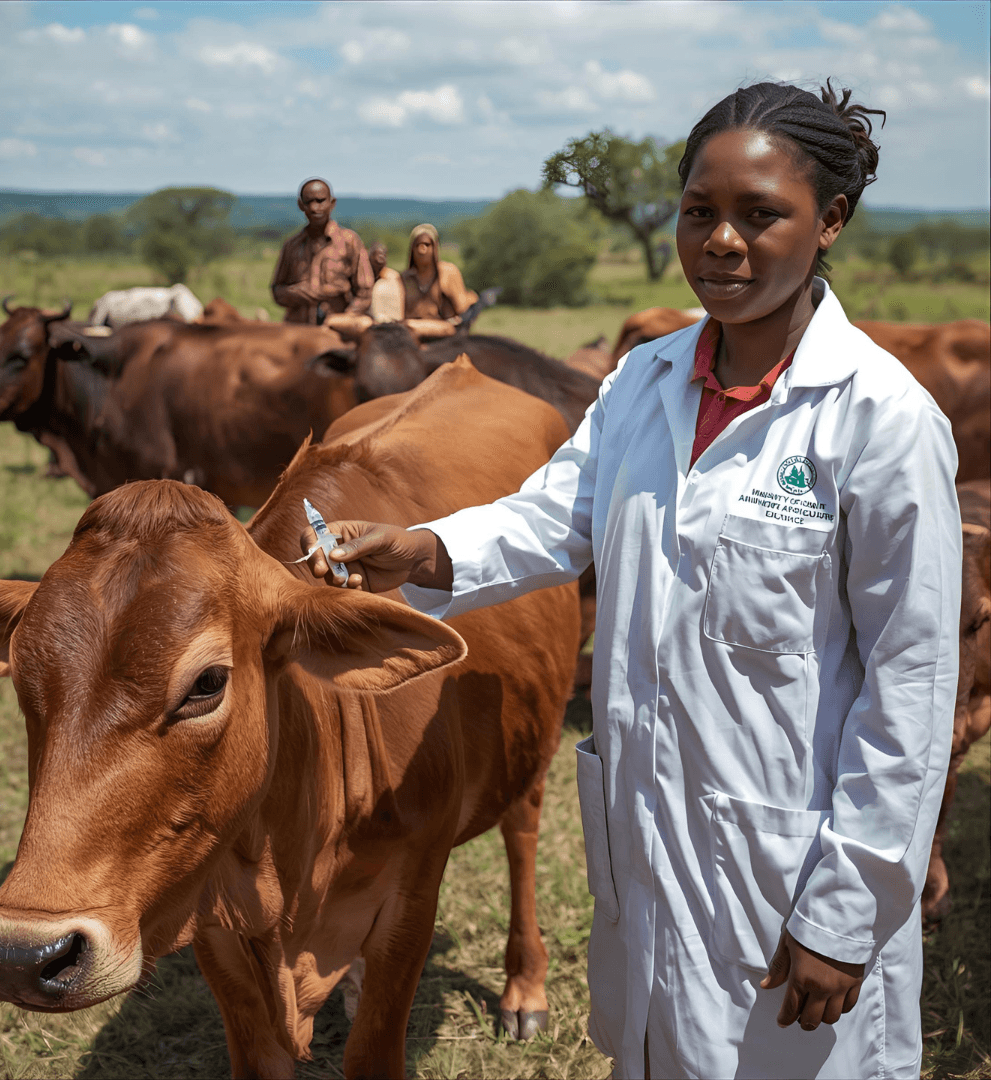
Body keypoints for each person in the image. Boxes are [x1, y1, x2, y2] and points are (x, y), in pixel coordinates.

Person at [303, 82, 962, 1080]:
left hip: (791, 873)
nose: (723, 242)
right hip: (651, 850)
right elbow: (550, 520)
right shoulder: (646, 382)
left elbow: (910, 687)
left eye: (761, 214)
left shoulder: (881, 421)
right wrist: (419, 550)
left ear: (830, 221)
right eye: (700, 212)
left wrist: (845, 910)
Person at [270, 177, 373, 325]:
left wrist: (345, 318)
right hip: (299, 328)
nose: (314, 208)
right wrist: (296, 293)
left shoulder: (349, 241)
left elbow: (365, 291)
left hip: (337, 330)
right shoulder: (292, 246)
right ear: (300, 205)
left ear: (332, 203)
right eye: (308, 202)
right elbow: (277, 290)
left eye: (320, 201)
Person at [401, 223, 478, 323]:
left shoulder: (447, 272)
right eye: (418, 245)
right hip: (412, 330)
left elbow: (461, 307)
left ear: (435, 248)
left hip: (443, 328)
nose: (422, 250)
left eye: (427, 245)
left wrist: (473, 299)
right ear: (412, 249)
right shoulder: (405, 278)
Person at [367, 241, 405, 323]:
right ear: (369, 256)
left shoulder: (393, 277)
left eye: (383, 254)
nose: (380, 257)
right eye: (376, 254)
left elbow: (398, 310)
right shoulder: (362, 276)